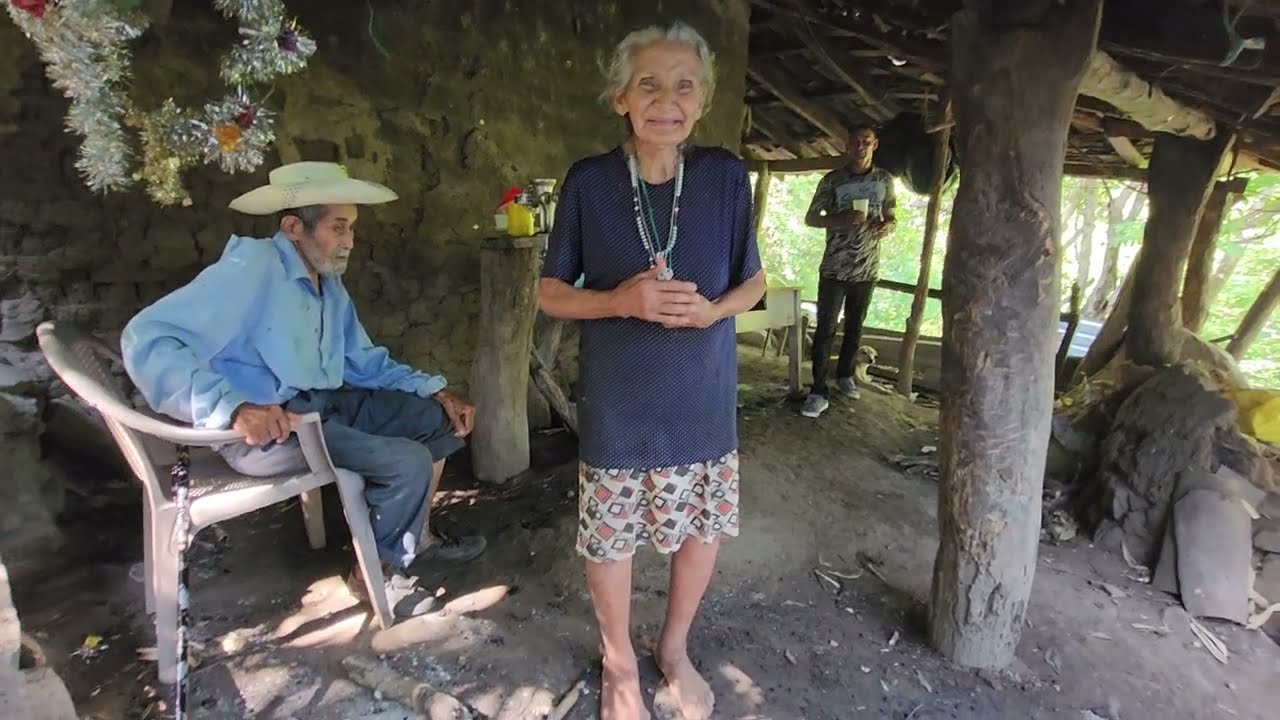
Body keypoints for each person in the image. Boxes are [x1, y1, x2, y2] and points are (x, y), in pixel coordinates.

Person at [120, 161, 486, 619]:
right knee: (406, 462)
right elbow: (148, 337)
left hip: (322, 409)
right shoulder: (252, 266)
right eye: (339, 227)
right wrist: (232, 407)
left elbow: (361, 361)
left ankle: (415, 538)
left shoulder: (328, 283)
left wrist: (433, 391)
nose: (350, 240)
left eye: (351, 227)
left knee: (438, 421)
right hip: (270, 430)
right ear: (294, 227)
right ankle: (378, 575)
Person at [538, 22, 765, 720]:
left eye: (684, 85)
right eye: (650, 84)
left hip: (702, 393)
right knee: (611, 535)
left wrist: (712, 312)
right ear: (620, 98)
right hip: (620, 397)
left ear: (701, 101)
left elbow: (752, 284)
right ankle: (617, 664)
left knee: (702, 529)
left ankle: (673, 649)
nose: (668, 99)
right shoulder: (590, 182)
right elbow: (549, 292)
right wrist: (619, 299)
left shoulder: (725, 176)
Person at [800, 124, 897, 418]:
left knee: (855, 327)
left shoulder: (884, 179)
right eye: (856, 141)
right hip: (834, 268)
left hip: (867, 269)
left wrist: (887, 226)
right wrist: (840, 219)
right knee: (826, 329)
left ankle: (845, 375)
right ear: (847, 146)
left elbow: (891, 214)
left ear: (875, 145)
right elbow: (811, 218)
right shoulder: (833, 181)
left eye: (866, 142)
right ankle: (818, 390)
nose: (861, 147)